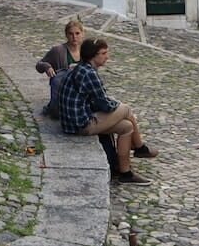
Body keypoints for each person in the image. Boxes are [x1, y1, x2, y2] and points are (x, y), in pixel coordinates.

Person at [58, 37, 158, 185]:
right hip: (80, 124)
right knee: (126, 109)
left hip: (72, 121)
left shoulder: (80, 68)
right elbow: (104, 104)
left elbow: (97, 100)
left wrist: (114, 104)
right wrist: (118, 105)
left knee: (127, 127)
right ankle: (140, 147)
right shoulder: (89, 73)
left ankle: (125, 172)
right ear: (93, 55)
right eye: (103, 53)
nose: (107, 57)